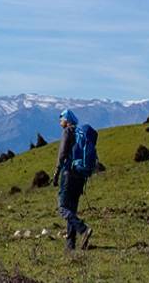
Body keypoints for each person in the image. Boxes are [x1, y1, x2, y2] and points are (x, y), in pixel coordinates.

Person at [53, 108, 92, 251]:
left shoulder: (67, 132)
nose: (60, 122)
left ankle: (83, 229)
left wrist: (56, 173)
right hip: (80, 177)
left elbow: (62, 154)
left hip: (69, 174)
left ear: (67, 119)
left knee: (62, 208)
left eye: (61, 119)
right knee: (72, 210)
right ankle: (70, 246)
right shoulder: (80, 133)